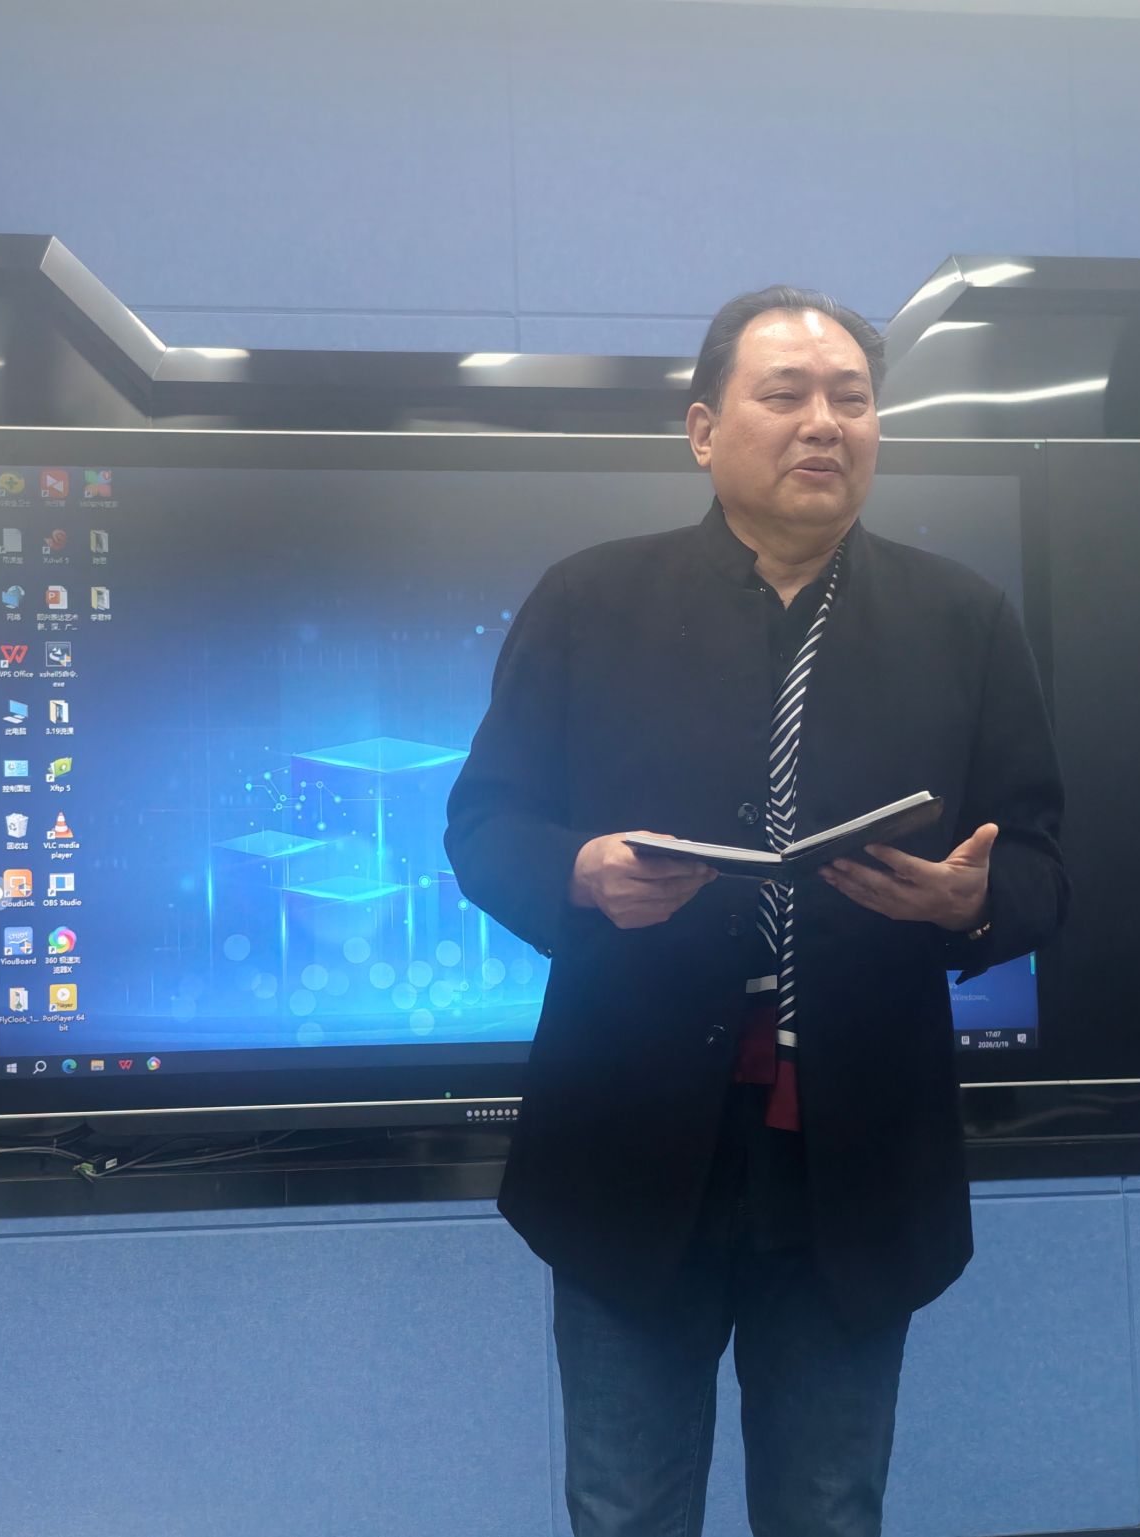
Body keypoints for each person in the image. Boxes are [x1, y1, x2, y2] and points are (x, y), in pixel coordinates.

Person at [443, 285, 1069, 1537]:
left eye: (851, 398)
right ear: (701, 429)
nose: (823, 423)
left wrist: (970, 900)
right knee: (623, 1509)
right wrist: (578, 873)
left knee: (829, 1511)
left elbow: (1042, 866)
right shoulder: (588, 601)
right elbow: (484, 826)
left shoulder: (962, 620)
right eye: (784, 395)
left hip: (854, 1152)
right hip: (626, 1142)